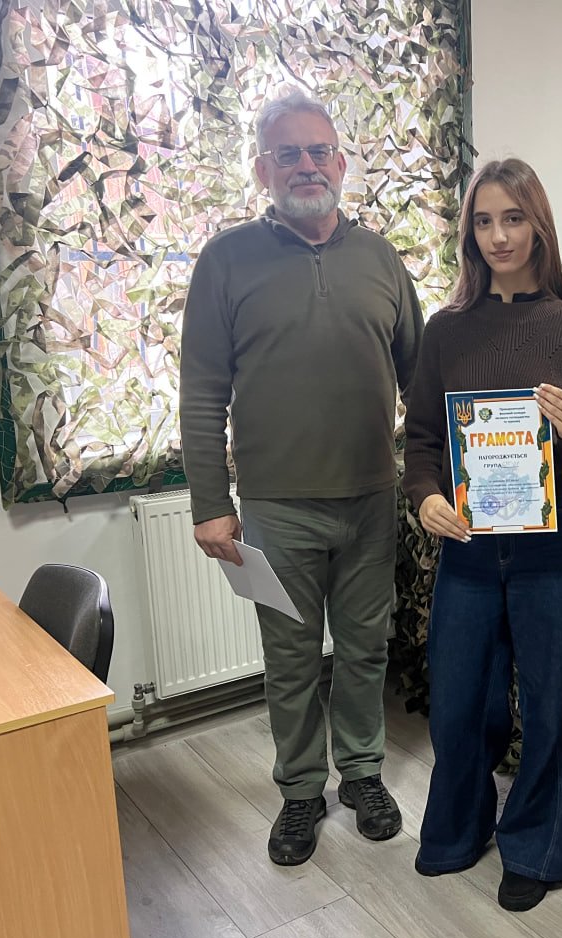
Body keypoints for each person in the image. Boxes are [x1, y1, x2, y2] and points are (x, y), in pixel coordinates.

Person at [179, 87, 424, 866]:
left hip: (371, 500)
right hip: (274, 509)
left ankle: (363, 774)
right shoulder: (225, 261)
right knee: (288, 659)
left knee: (365, 649)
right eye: (287, 154)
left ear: (341, 164)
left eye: (319, 151)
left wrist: (441, 475)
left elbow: (421, 381)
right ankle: (299, 791)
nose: (306, 165)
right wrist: (211, 504)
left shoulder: (380, 258)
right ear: (263, 170)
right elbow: (201, 391)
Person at [402, 158, 562, 912]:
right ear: (469, 232)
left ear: (539, 226)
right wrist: (425, 497)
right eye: (483, 220)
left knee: (549, 696)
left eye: (513, 218)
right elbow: (423, 439)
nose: (498, 236)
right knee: (459, 698)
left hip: (551, 547)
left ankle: (538, 845)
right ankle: (457, 828)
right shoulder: (446, 330)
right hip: (467, 546)